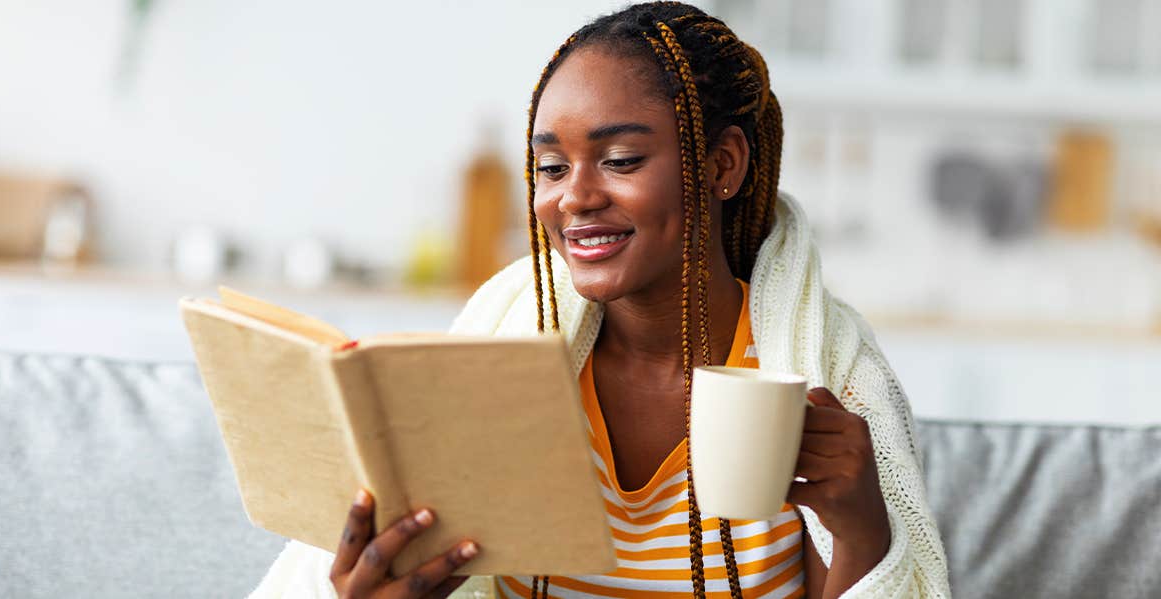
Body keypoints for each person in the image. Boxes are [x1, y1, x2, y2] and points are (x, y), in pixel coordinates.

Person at [249, 3, 950, 598]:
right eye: (550, 167)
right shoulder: (499, 351)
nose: (574, 197)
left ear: (722, 164)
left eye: (619, 160)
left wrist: (863, 531)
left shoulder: (828, 372)